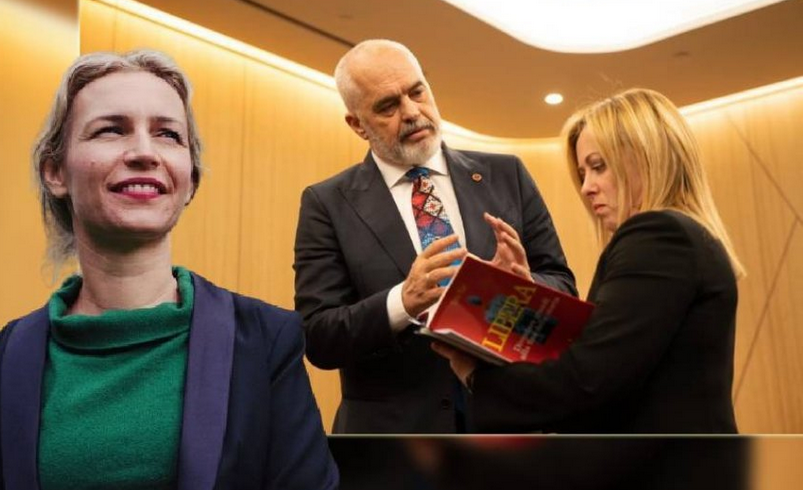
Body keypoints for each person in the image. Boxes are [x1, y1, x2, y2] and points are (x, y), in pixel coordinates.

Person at [0, 50, 338, 489]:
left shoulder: (265, 341)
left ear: (190, 179)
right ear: (55, 172)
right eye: (110, 130)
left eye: (168, 135)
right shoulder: (8, 356)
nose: (145, 152)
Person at [293, 39, 576, 434]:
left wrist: (519, 287)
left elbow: (563, 285)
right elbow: (319, 336)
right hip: (392, 443)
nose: (412, 112)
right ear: (357, 124)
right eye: (388, 107)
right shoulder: (327, 203)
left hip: (505, 426)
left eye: (417, 92)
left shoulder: (506, 175)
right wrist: (402, 302)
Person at [434, 88, 745, 433]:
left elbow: (589, 380)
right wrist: (524, 299)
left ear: (647, 158)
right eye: (583, 173)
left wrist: (476, 376)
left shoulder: (659, 236)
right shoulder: (685, 235)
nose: (586, 188)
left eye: (598, 167)